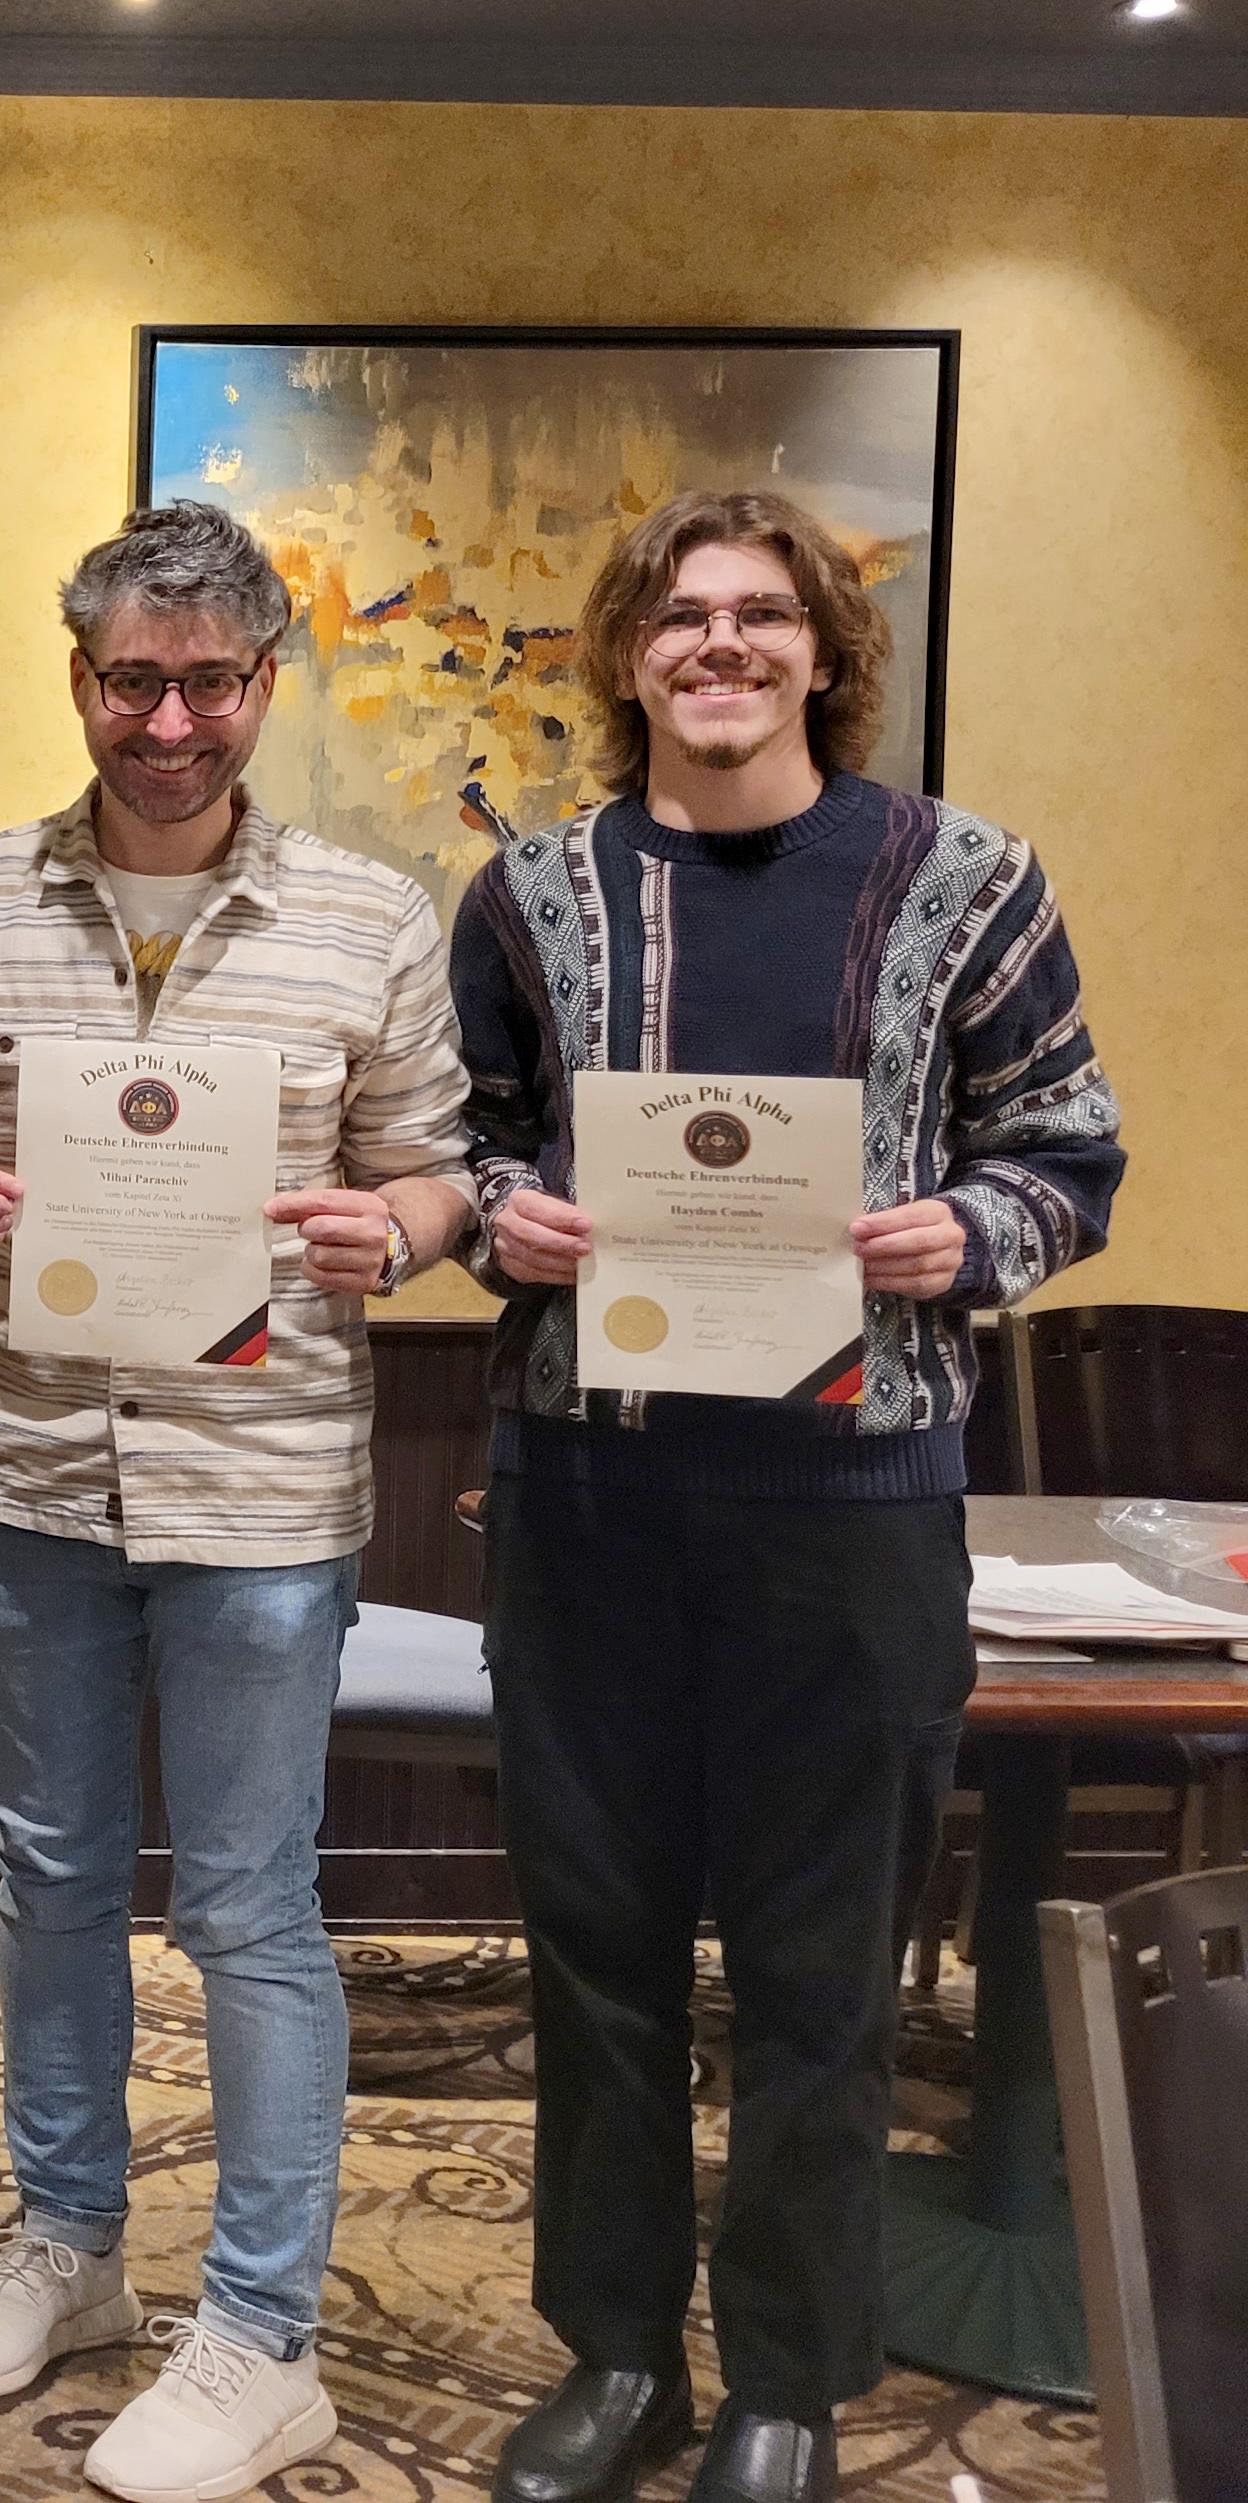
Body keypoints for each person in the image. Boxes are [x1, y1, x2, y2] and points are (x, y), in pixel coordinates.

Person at [450, 490, 1121, 2503]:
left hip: (853, 1504)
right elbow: (454, 1143)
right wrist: (511, 1220)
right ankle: (622, 2359)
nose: (720, 645)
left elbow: (1069, 1147)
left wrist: (963, 1235)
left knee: (824, 1970)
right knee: (599, 1946)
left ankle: (787, 2387)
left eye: (762, 615)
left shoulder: (965, 884)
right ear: (630, 654)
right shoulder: (528, 895)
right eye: (682, 616)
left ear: (825, 652)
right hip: (587, 1495)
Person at [0, 502, 477, 2501]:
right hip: (28, 1461)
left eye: (211, 681)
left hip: (260, 1485)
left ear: (264, 689)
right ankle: (68, 2243)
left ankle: (262, 2330)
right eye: (132, 678)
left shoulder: (371, 920)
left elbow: (440, 1176)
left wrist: (390, 1227)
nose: (169, 720)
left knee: (242, 1902)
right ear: (80, 681)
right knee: (46, 1871)